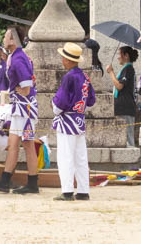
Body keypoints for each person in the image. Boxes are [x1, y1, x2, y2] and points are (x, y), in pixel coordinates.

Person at [0, 26, 40, 194]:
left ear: (12, 40)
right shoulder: (17, 56)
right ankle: (6, 179)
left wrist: (19, 90)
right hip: (22, 107)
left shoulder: (18, 59)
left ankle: (30, 183)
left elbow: (26, 84)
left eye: (5, 36)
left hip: (25, 108)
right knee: (15, 144)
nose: (4, 39)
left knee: (27, 145)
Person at [51, 42, 96, 201]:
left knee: (65, 156)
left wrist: (54, 106)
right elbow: (91, 100)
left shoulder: (69, 77)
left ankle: (67, 191)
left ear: (68, 60)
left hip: (67, 121)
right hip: (79, 120)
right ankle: (83, 191)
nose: (62, 60)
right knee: (81, 157)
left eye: (64, 57)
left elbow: (60, 102)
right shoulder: (84, 76)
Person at [106, 45, 137, 148]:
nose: (118, 57)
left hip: (126, 108)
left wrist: (111, 72)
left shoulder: (129, 69)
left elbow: (119, 86)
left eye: (120, 54)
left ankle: (131, 163)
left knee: (128, 139)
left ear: (126, 56)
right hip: (121, 107)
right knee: (120, 139)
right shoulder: (125, 69)